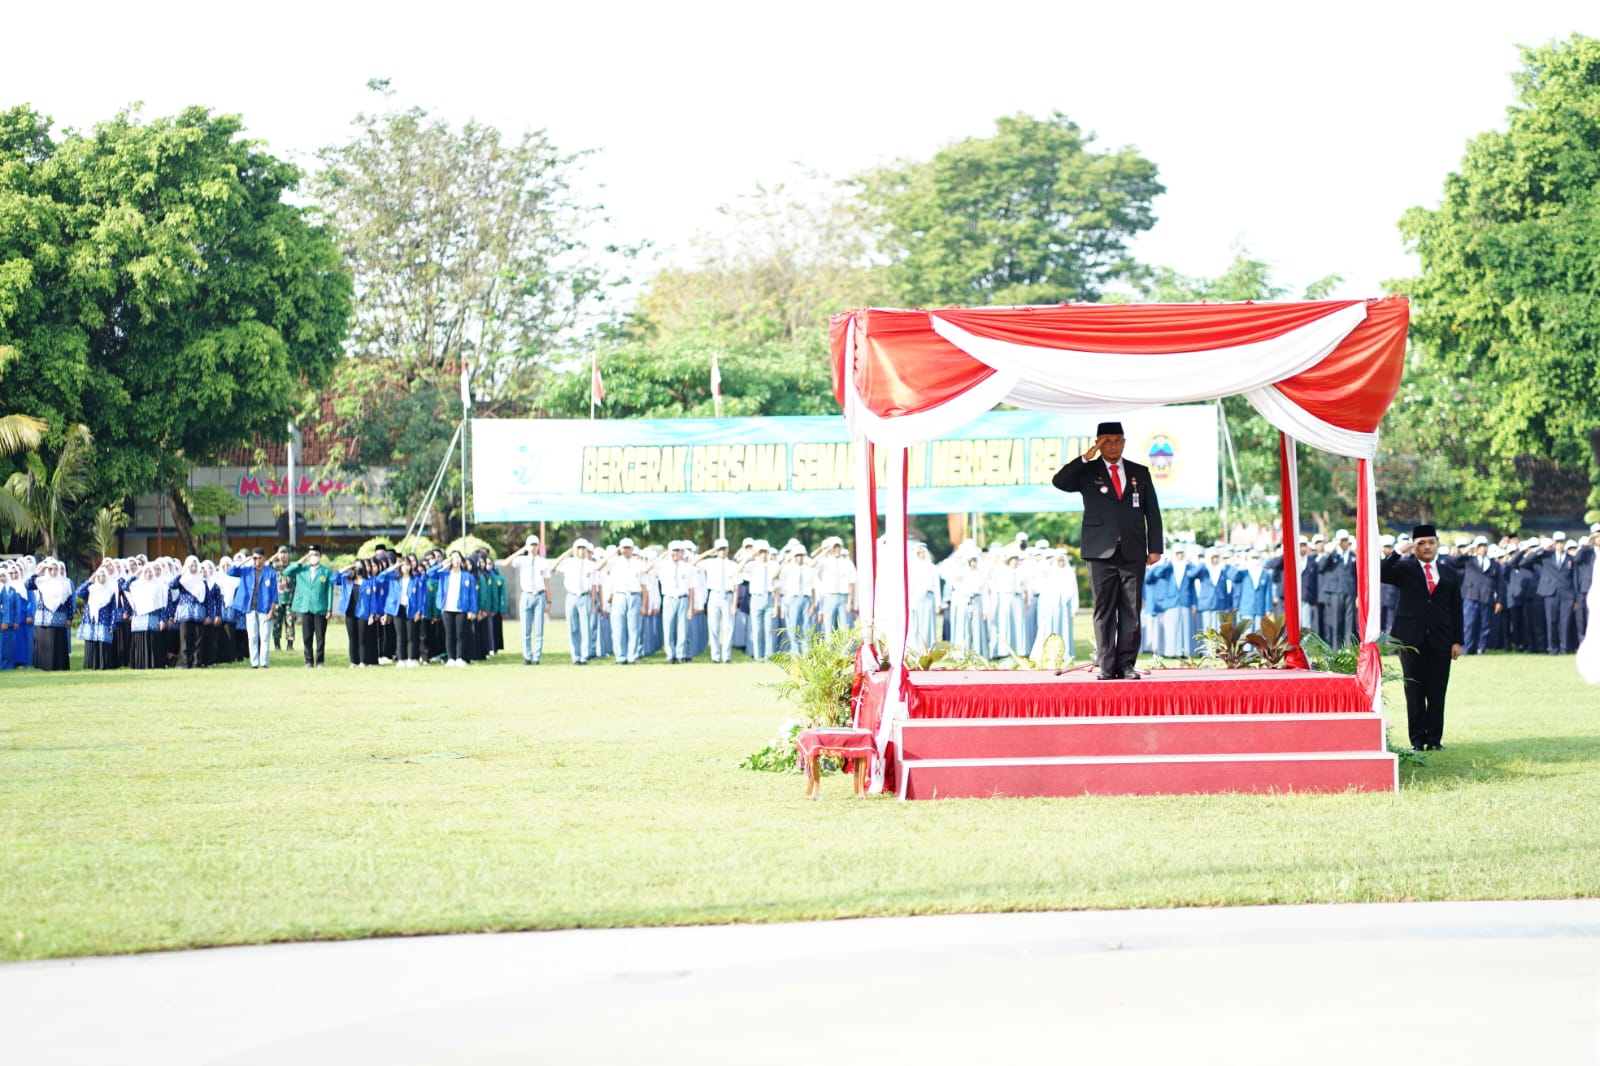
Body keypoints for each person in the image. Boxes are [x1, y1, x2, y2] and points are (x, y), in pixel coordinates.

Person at [1052, 422, 1164, 680]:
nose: (1113, 446)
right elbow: (1059, 481)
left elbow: (1152, 512)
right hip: (1099, 550)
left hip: (1133, 550)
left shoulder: (1140, 472)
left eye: (1117, 440)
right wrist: (1087, 456)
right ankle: (1106, 665)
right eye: (1107, 441)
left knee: (1131, 611)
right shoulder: (1087, 471)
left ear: (1124, 441)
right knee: (1103, 611)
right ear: (1099, 442)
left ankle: (1126, 665)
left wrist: (1155, 547)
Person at [1380, 524, 1463, 751]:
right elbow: (1379, 571)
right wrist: (1400, 551)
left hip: (1441, 639)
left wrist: (1457, 641)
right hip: (1410, 639)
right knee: (1414, 691)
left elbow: (1456, 608)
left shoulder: (1448, 572)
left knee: (1437, 690)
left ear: (1437, 544)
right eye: (1421, 543)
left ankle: (1435, 740)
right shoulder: (1404, 568)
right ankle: (1417, 740)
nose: (1427, 547)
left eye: (1431, 542)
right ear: (1414, 546)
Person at [507, 535, 551, 665]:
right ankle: (527, 656)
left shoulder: (543, 562)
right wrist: (519, 551)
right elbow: (506, 563)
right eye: (531, 545)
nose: (533, 547)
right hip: (526, 595)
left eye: (535, 545)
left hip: (539, 595)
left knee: (538, 628)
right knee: (525, 628)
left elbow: (547, 582)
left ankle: (537, 657)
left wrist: (549, 601)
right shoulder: (522, 560)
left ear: (538, 546)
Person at [236, 547, 279, 669]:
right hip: (250, 608)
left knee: (265, 636)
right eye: (255, 558)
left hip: (264, 609)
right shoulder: (247, 570)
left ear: (264, 558)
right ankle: (254, 663)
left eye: (260, 558)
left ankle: (264, 662)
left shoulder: (270, 573)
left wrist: (272, 610)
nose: (257, 561)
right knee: (252, 637)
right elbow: (231, 571)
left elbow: (274, 594)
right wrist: (245, 560)